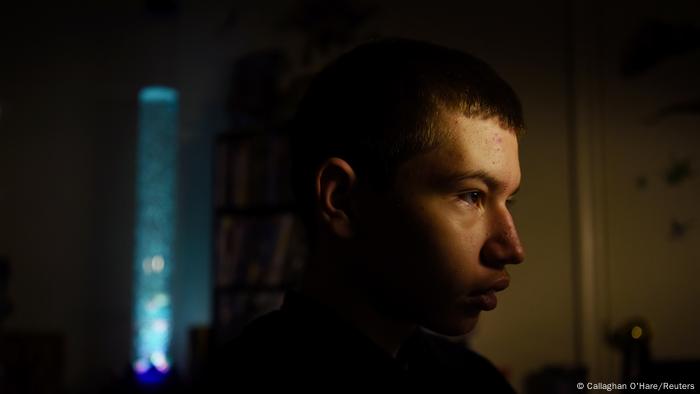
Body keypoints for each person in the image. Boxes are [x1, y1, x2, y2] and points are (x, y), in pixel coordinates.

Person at [205, 37, 525, 392]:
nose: (511, 249)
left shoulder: (477, 381)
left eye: (508, 201)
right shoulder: (242, 380)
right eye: (470, 195)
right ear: (342, 199)